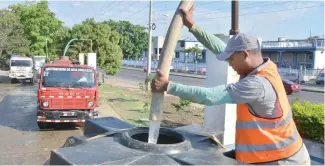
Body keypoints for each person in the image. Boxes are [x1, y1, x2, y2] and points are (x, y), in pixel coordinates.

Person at [151, 4, 310, 165]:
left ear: (245, 54)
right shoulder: (264, 66)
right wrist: (192, 25)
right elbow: (220, 48)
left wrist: (168, 86)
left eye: (232, 59)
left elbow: (210, 96)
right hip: (268, 154)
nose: (230, 63)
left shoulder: (256, 85)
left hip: (282, 159)